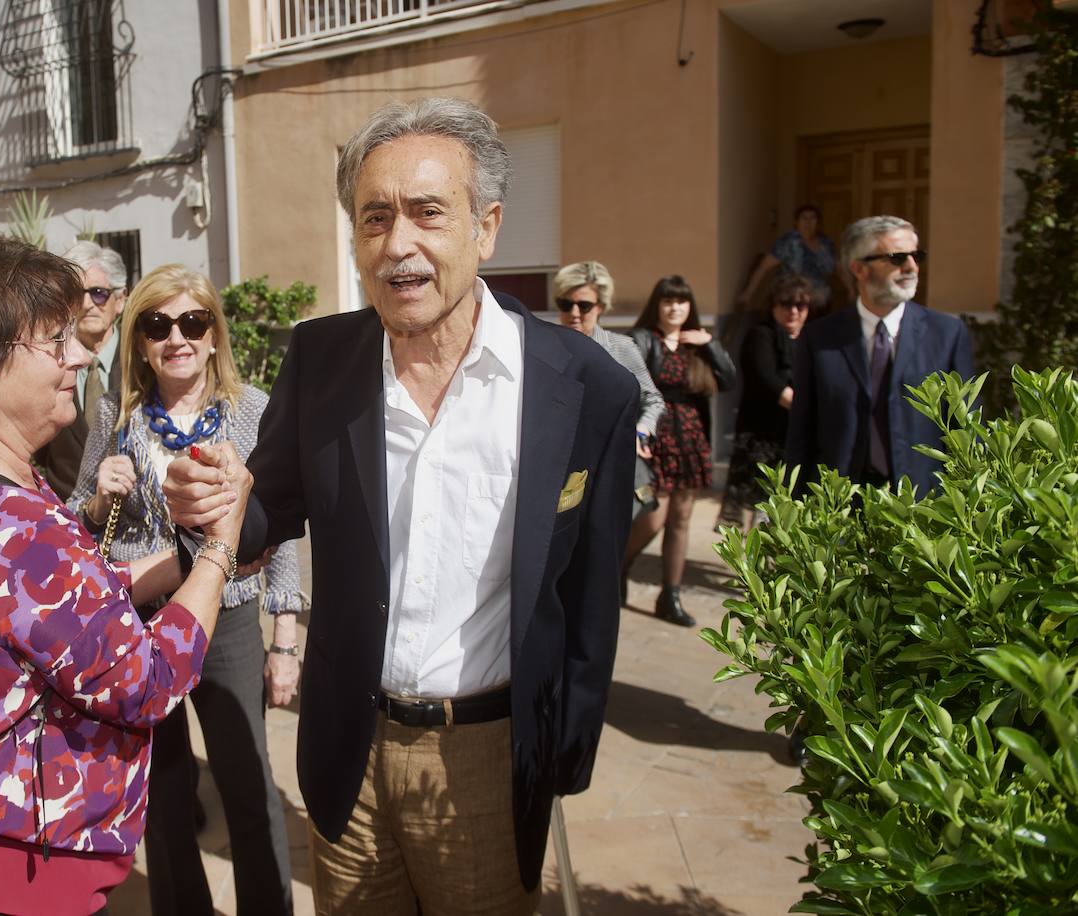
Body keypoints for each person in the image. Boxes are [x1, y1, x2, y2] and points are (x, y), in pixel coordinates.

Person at [164, 97, 638, 914]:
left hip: (487, 756)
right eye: (374, 218)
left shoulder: (587, 386)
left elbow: (593, 589)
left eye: (427, 213)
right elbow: (270, 509)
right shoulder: (323, 358)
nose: (399, 245)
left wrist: (567, 747)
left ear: (487, 228)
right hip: (349, 743)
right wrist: (216, 504)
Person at [0, 229, 250, 915]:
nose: (79, 355)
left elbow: (50, 616)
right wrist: (222, 545)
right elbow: (148, 683)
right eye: (53, 343)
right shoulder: (7, 524)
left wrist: (178, 557)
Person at [68, 264, 303, 916]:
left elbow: (278, 529)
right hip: (138, 619)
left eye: (192, 322)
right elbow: (78, 511)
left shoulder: (250, 410)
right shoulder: (117, 411)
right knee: (163, 798)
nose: (177, 337)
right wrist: (94, 500)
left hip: (224, 621)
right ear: (140, 340)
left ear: (212, 334)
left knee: (246, 784)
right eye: (158, 324)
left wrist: (284, 637)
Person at [786, 215, 973, 493]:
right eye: (897, 258)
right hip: (841, 505)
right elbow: (802, 429)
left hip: (923, 504)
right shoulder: (819, 339)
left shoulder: (947, 334)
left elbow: (966, 428)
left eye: (916, 256)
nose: (911, 266)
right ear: (859, 268)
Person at [624, 276, 736, 627]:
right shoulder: (644, 340)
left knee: (682, 521)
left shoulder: (698, 343)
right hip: (655, 439)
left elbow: (729, 380)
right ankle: (616, 568)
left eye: (682, 301)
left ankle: (670, 594)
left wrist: (710, 345)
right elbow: (627, 385)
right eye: (668, 301)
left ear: (690, 307)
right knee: (652, 519)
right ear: (657, 305)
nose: (675, 307)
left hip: (690, 440)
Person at [33, 240, 128, 499]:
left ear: (119, 301)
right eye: (76, 293)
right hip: (67, 519)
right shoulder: (49, 363)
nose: (87, 304)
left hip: (133, 525)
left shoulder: (141, 364)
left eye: (98, 293)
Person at [554, 259, 665, 479]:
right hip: (560, 462)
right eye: (566, 305)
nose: (574, 313)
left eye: (584, 306)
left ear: (601, 307)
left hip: (609, 463)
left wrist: (640, 432)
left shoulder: (621, 348)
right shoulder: (548, 346)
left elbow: (653, 400)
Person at [717, 273, 812, 530]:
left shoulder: (812, 339)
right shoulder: (760, 336)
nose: (793, 311)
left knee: (792, 508)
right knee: (762, 508)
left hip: (797, 437)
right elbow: (769, 381)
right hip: (762, 436)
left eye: (800, 305)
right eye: (785, 304)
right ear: (773, 306)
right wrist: (810, 411)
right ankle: (756, 566)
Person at [737, 204, 837, 311]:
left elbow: (838, 267)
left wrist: (851, 291)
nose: (808, 222)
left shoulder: (825, 243)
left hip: (819, 299)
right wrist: (747, 294)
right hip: (792, 298)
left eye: (813, 218)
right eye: (804, 218)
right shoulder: (788, 242)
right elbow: (763, 267)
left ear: (818, 222)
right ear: (797, 222)